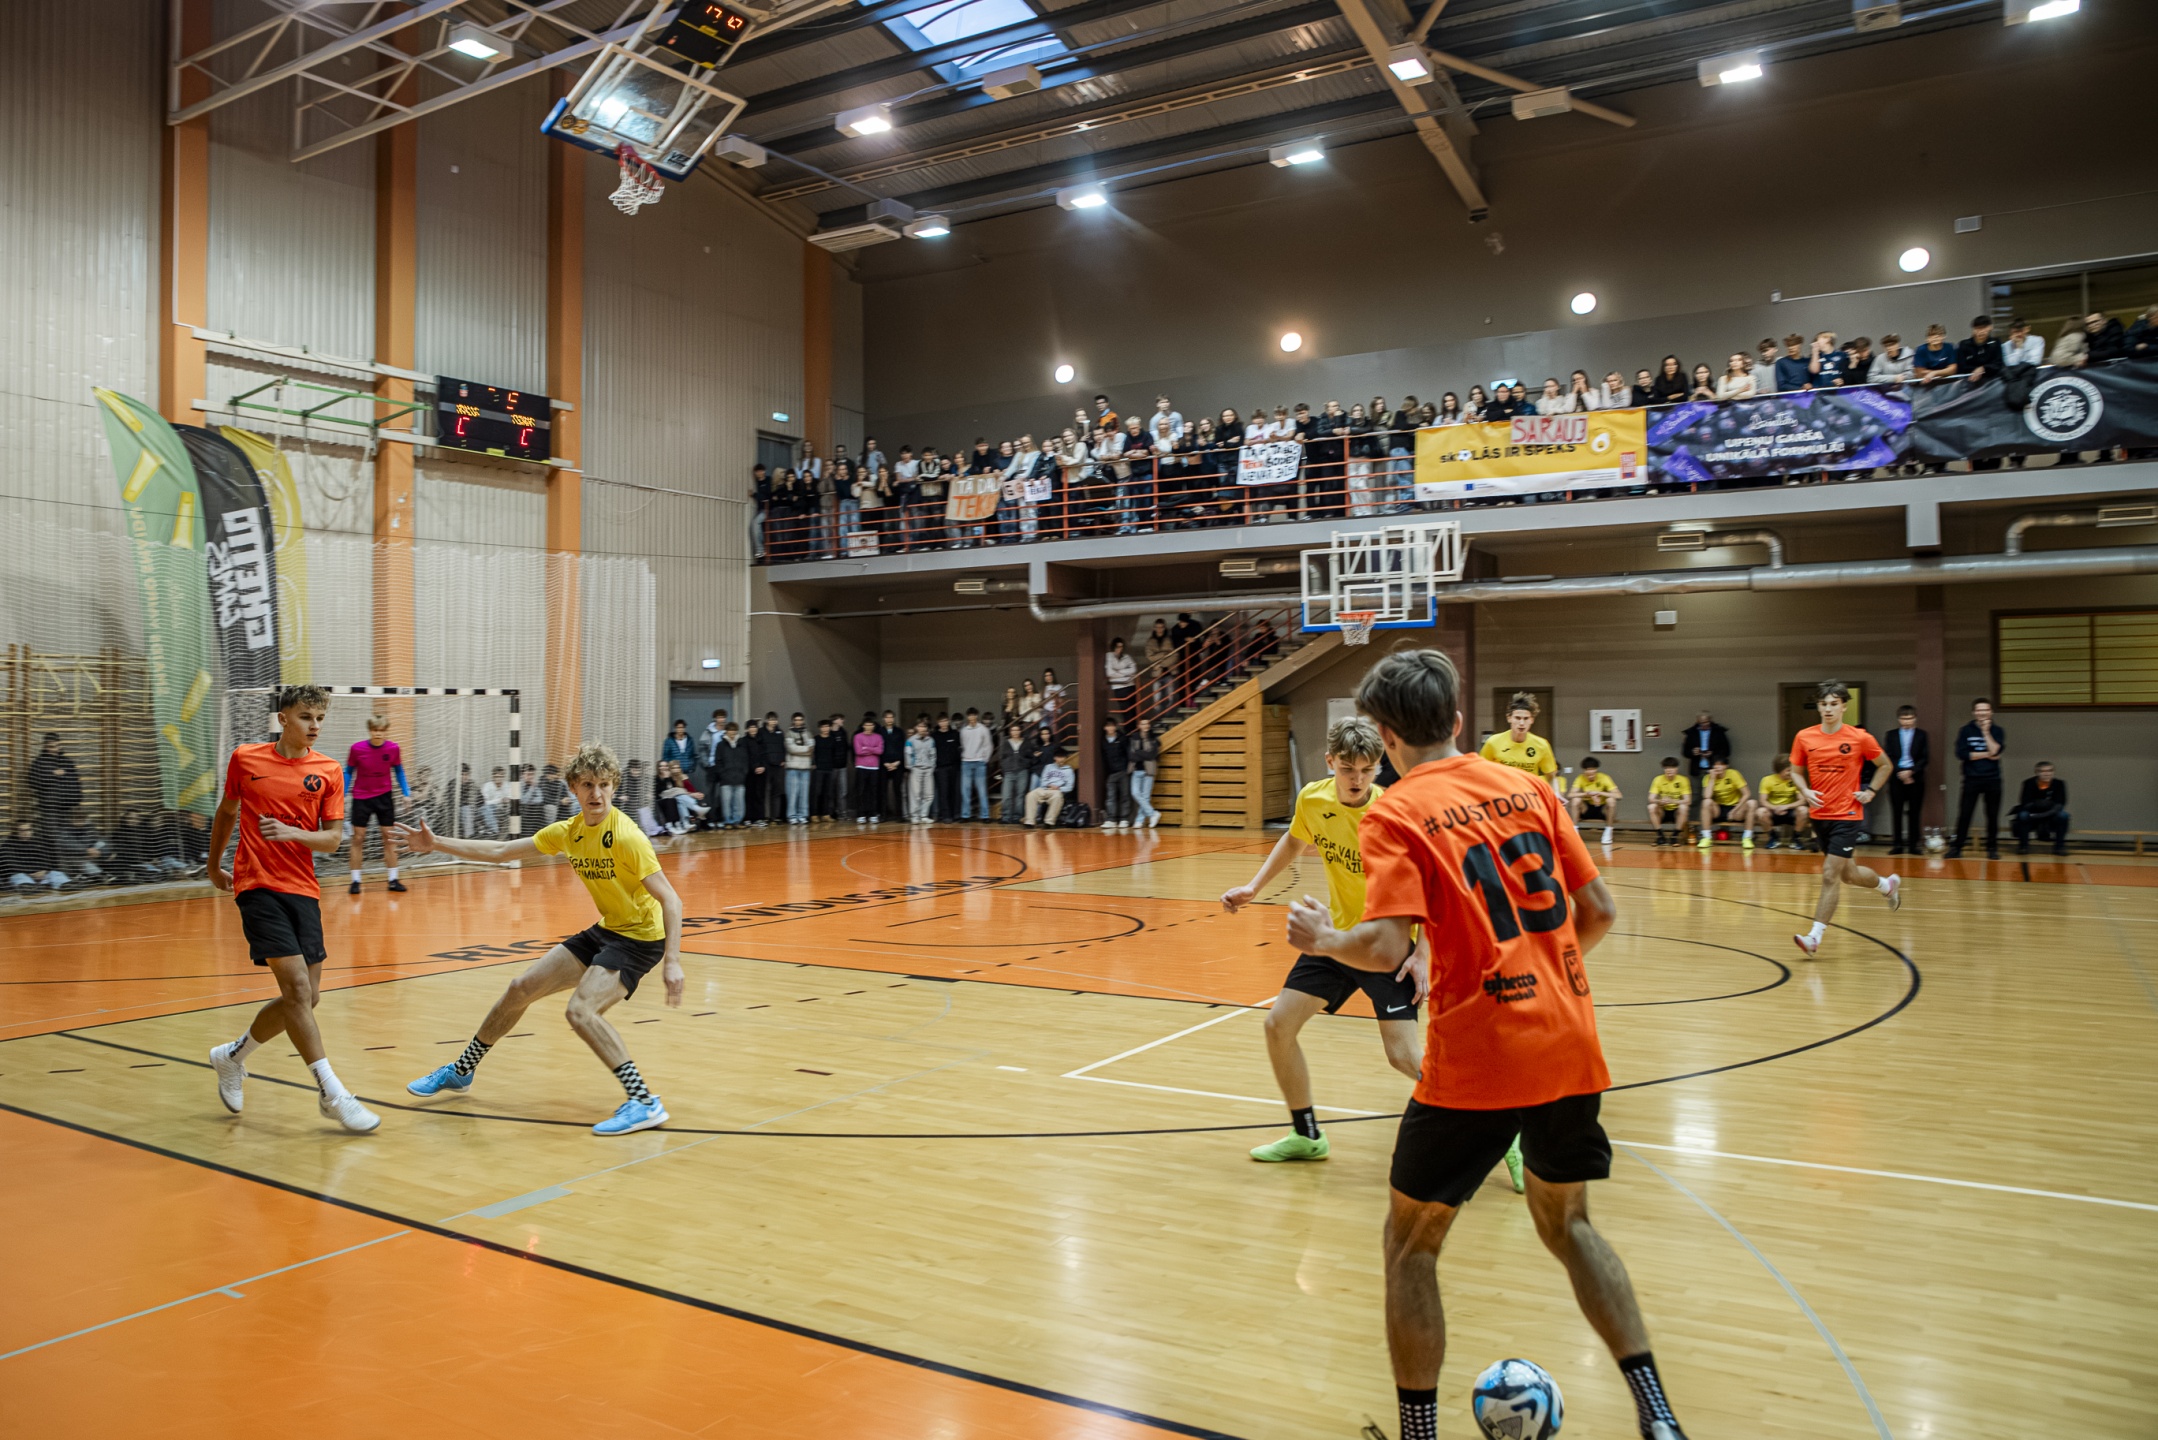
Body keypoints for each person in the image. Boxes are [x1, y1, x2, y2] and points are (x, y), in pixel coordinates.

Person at [1284, 649, 1692, 1440]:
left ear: (1385, 737)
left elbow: (1384, 947)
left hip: (1479, 1054)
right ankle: (1659, 1415)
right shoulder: (1528, 786)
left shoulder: (1396, 813)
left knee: (1410, 1246)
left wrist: (1324, 938)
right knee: (1570, 1226)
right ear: (1458, 720)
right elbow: (1600, 911)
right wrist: (1540, 975)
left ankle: (1419, 1435)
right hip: (1569, 1038)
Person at [399, 742, 684, 1135]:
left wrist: (673, 961)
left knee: (580, 1011)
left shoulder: (627, 837)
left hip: (640, 938)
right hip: (609, 928)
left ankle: (645, 1102)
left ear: (614, 787)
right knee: (520, 988)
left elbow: (671, 899)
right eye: (587, 784)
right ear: (573, 788)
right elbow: (501, 850)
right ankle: (461, 1070)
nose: (596, 793)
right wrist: (436, 844)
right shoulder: (569, 832)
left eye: (604, 784)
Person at [1222, 716, 1438, 1166]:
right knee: (1278, 1026)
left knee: (1403, 1056)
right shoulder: (1313, 798)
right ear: (1329, 762)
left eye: (1367, 769)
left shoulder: (1393, 815)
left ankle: (1498, 1128)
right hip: (1336, 938)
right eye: (1347, 769)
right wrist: (1253, 887)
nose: (1357, 779)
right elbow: (1293, 840)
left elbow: (1432, 886)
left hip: (1387, 947)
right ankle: (1307, 1136)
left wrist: (1423, 952)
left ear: (1378, 766)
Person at [204, 685, 379, 1133]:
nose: (315, 726)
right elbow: (227, 812)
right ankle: (332, 1094)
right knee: (299, 990)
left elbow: (333, 839)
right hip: (256, 884)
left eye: (320, 718)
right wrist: (213, 865)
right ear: (283, 718)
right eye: (305, 717)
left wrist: (292, 833)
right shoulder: (246, 758)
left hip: (302, 888)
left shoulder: (329, 771)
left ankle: (232, 1057)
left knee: (307, 998)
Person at [1789, 679, 1902, 957]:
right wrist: (1805, 791)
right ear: (1818, 707)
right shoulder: (1804, 737)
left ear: (1843, 707)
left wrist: (1871, 791)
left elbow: (1885, 765)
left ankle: (1814, 937)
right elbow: (1795, 771)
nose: (1828, 709)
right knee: (1849, 874)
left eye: (1834, 704)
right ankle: (1886, 885)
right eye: (1823, 704)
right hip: (1820, 815)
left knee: (1830, 874)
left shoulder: (1860, 737)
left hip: (1848, 815)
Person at [343, 713, 410, 894]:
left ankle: (393, 879)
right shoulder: (357, 749)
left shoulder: (393, 748)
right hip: (361, 798)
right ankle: (355, 881)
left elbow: (399, 771)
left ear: (386, 731)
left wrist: (406, 793)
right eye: (374, 730)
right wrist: (343, 793)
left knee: (389, 837)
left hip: (384, 797)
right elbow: (348, 772)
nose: (378, 733)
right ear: (370, 730)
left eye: (381, 730)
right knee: (358, 838)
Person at [1948, 697, 2006, 860]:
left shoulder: (1997, 730)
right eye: (1979, 710)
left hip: (1993, 779)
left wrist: (1986, 732)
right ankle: (1957, 847)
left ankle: (1992, 848)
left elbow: (1996, 750)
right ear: (1974, 712)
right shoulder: (1965, 731)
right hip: (1971, 779)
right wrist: (1987, 754)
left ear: (1991, 712)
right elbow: (1962, 754)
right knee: (1965, 814)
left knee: (1992, 815)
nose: (1982, 713)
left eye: (1985, 710)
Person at [1478, 692, 1558, 791]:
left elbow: (1551, 777)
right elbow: (1481, 772)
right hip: (1502, 794)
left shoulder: (1542, 745)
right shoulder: (1493, 742)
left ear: (1532, 720)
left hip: (1529, 795)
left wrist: (1555, 794)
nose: (1521, 723)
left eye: (1526, 718)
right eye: (1517, 718)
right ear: (1509, 718)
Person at [1884, 704, 1930, 855]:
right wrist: (1900, 772)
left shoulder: (1921, 735)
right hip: (1897, 777)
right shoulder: (1891, 735)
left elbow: (1924, 758)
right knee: (1896, 811)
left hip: (1915, 777)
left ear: (1915, 718)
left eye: (1910, 718)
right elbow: (1888, 756)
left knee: (1914, 812)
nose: (1907, 721)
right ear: (1899, 719)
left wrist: (1911, 772)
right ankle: (1897, 844)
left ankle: (1913, 845)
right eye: (1904, 719)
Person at [27, 732, 83, 834]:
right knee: (52, 835)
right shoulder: (39, 763)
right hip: (49, 808)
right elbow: (32, 782)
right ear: (45, 746)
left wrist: (77, 800)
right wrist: (52, 774)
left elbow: (76, 782)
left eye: (57, 746)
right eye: (51, 747)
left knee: (67, 835)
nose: (55, 749)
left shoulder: (67, 762)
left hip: (67, 806)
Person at [2011, 761, 2070, 856]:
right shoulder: (2028, 783)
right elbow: (2025, 803)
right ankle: (2023, 846)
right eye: (2043, 771)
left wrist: (2042, 812)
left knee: (2063, 816)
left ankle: (2059, 847)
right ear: (2037, 772)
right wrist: (2038, 804)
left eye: (2050, 771)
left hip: (2050, 813)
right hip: (2033, 811)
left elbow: (2060, 804)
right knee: (2023, 815)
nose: (2047, 774)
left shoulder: (2059, 784)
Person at [1694, 759, 1755, 850]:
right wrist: (1712, 779)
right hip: (1718, 809)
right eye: (1715, 765)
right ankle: (1706, 837)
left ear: (1726, 766)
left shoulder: (1733, 774)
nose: (1718, 767)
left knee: (1752, 803)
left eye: (1721, 765)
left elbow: (1747, 794)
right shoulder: (1708, 777)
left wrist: (1734, 810)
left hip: (1735, 808)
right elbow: (1707, 796)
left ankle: (1747, 838)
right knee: (1706, 802)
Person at [2, 819, 68, 894]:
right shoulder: (7, 846)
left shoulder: (39, 842)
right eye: (21, 830)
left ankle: (65, 884)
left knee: (55, 874)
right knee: (19, 877)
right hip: (23, 875)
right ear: (15, 832)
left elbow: (48, 859)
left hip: (42, 875)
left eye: (28, 830)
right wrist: (30, 873)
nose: (25, 833)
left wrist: (44, 871)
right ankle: (29, 887)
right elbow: (11, 865)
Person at [1567, 756, 1621, 846]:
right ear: (1584, 771)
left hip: (1602, 809)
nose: (1591, 774)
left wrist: (1600, 793)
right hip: (1586, 809)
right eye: (1588, 771)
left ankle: (1608, 832)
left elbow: (1619, 795)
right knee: (1575, 800)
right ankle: (1574, 831)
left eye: (1593, 770)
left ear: (1596, 770)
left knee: (1611, 801)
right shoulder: (1580, 778)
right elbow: (1570, 795)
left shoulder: (1604, 777)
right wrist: (1586, 794)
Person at [1757, 756, 1808, 850]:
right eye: (1788, 770)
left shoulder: (1795, 780)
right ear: (1779, 770)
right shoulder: (1767, 780)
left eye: (1792, 770)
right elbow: (1763, 801)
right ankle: (1773, 838)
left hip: (1790, 811)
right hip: (1774, 811)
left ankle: (1795, 839)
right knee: (1760, 812)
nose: (1791, 773)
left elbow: (1803, 800)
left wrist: (1786, 806)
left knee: (1804, 810)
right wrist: (1775, 808)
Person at [1680, 711, 1730, 796]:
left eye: (1706, 722)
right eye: (1700, 723)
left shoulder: (1718, 732)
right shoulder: (1691, 733)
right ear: (1697, 722)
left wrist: (1713, 753)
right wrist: (1693, 752)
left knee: (1714, 794)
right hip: (1697, 769)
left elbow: (1727, 751)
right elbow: (1685, 752)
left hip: (1714, 769)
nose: (1703, 725)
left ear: (1710, 720)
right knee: (1695, 794)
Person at [1023, 749, 1075, 826]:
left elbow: (1069, 787)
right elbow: (1043, 781)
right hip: (1045, 788)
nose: (1061, 759)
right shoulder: (1048, 767)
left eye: (1063, 757)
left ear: (1066, 758)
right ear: (1055, 758)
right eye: (1059, 757)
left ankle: (1049, 822)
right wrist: (1049, 785)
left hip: (1057, 791)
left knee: (1057, 797)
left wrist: (1058, 788)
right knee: (1030, 795)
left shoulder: (1069, 770)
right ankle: (1029, 821)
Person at [712, 721, 750, 827]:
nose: (732, 732)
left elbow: (746, 760)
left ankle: (737, 821)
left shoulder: (742, 745)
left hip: (739, 778)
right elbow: (718, 762)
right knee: (726, 802)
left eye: (734, 730)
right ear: (726, 731)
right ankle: (728, 821)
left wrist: (744, 773)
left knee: (739, 802)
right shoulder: (720, 745)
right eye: (730, 730)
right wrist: (722, 774)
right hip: (726, 779)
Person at [1127, 714, 1162, 828]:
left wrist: (1138, 752)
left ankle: (1139, 821)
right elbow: (1131, 755)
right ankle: (1153, 813)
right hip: (1136, 770)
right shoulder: (1134, 737)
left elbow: (1152, 755)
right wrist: (1144, 754)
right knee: (1135, 793)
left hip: (1149, 771)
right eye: (1143, 724)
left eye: (1147, 723)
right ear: (1139, 725)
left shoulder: (1153, 738)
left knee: (1145, 797)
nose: (1145, 726)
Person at [1646, 758, 1692, 845]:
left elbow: (1688, 800)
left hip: (1676, 812)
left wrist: (1673, 801)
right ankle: (1660, 836)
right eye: (1666, 768)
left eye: (1672, 768)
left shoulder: (1683, 780)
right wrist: (1660, 801)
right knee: (1651, 807)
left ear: (1676, 769)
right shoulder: (1658, 779)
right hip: (1662, 811)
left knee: (1684, 807)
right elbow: (1651, 798)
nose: (1669, 770)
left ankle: (1675, 836)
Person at [959, 707, 993, 820]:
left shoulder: (983, 729)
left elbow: (988, 745)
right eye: (970, 715)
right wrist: (964, 757)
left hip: (979, 762)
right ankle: (965, 815)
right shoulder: (963, 730)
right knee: (965, 791)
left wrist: (985, 759)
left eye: (974, 715)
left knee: (982, 790)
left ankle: (985, 815)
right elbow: (962, 745)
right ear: (967, 717)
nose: (972, 717)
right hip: (966, 762)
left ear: (977, 716)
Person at [812, 717, 847, 822]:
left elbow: (834, 753)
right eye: (823, 727)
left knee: (828, 792)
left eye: (827, 726)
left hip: (829, 768)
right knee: (817, 792)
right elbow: (812, 753)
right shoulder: (816, 739)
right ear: (820, 728)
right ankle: (814, 814)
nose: (825, 729)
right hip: (819, 768)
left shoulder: (832, 739)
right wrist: (813, 763)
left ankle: (826, 813)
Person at [1099, 717, 1131, 830]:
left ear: (1116, 727)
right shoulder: (1103, 741)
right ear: (1105, 728)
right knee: (1110, 797)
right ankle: (1111, 819)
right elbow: (1104, 757)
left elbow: (1128, 754)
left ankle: (1124, 819)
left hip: (1123, 771)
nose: (1110, 728)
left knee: (1124, 795)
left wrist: (1127, 769)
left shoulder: (1122, 739)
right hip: (1111, 773)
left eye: (1112, 726)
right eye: (1108, 726)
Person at [851, 716, 884, 824]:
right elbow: (858, 751)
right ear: (863, 726)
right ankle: (861, 814)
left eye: (871, 725)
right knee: (861, 791)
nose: (869, 727)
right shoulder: (857, 736)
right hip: (861, 766)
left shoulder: (878, 737)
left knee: (873, 791)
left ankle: (873, 814)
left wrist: (866, 748)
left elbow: (880, 751)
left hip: (874, 767)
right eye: (867, 725)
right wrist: (873, 749)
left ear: (874, 726)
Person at [996, 721, 1030, 823]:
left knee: (1020, 795)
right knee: (1006, 795)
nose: (1015, 732)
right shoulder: (1006, 743)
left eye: (1017, 730)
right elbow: (1001, 757)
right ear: (1010, 732)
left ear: (1020, 731)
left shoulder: (1026, 742)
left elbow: (1031, 756)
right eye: (1013, 730)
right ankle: (1006, 817)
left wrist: (1025, 763)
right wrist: (1005, 767)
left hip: (1022, 771)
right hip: (1009, 772)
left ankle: (1017, 817)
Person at [783, 712, 813, 825]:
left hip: (805, 767)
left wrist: (801, 750)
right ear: (793, 721)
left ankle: (803, 815)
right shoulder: (789, 733)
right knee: (792, 794)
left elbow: (811, 748)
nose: (798, 722)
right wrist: (805, 750)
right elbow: (791, 749)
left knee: (804, 794)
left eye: (800, 720)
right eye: (796, 720)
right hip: (793, 767)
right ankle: (792, 816)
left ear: (803, 721)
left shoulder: (808, 733)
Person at [905, 719, 937, 824]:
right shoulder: (910, 741)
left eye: (924, 727)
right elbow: (908, 755)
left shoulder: (931, 741)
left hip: (928, 769)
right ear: (916, 728)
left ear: (927, 728)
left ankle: (924, 815)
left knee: (929, 794)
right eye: (920, 726)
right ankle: (915, 816)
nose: (922, 729)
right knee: (916, 794)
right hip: (916, 769)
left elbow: (933, 755)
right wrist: (911, 767)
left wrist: (932, 767)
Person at [1105, 636, 1138, 726]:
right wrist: (1126, 674)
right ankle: (1128, 730)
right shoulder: (1109, 656)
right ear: (1113, 646)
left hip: (1130, 685)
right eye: (1117, 646)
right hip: (1119, 688)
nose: (1119, 648)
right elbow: (1109, 673)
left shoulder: (1127, 657)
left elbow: (1133, 669)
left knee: (1134, 710)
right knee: (1126, 711)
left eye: (1121, 646)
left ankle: (1134, 729)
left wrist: (1118, 672)